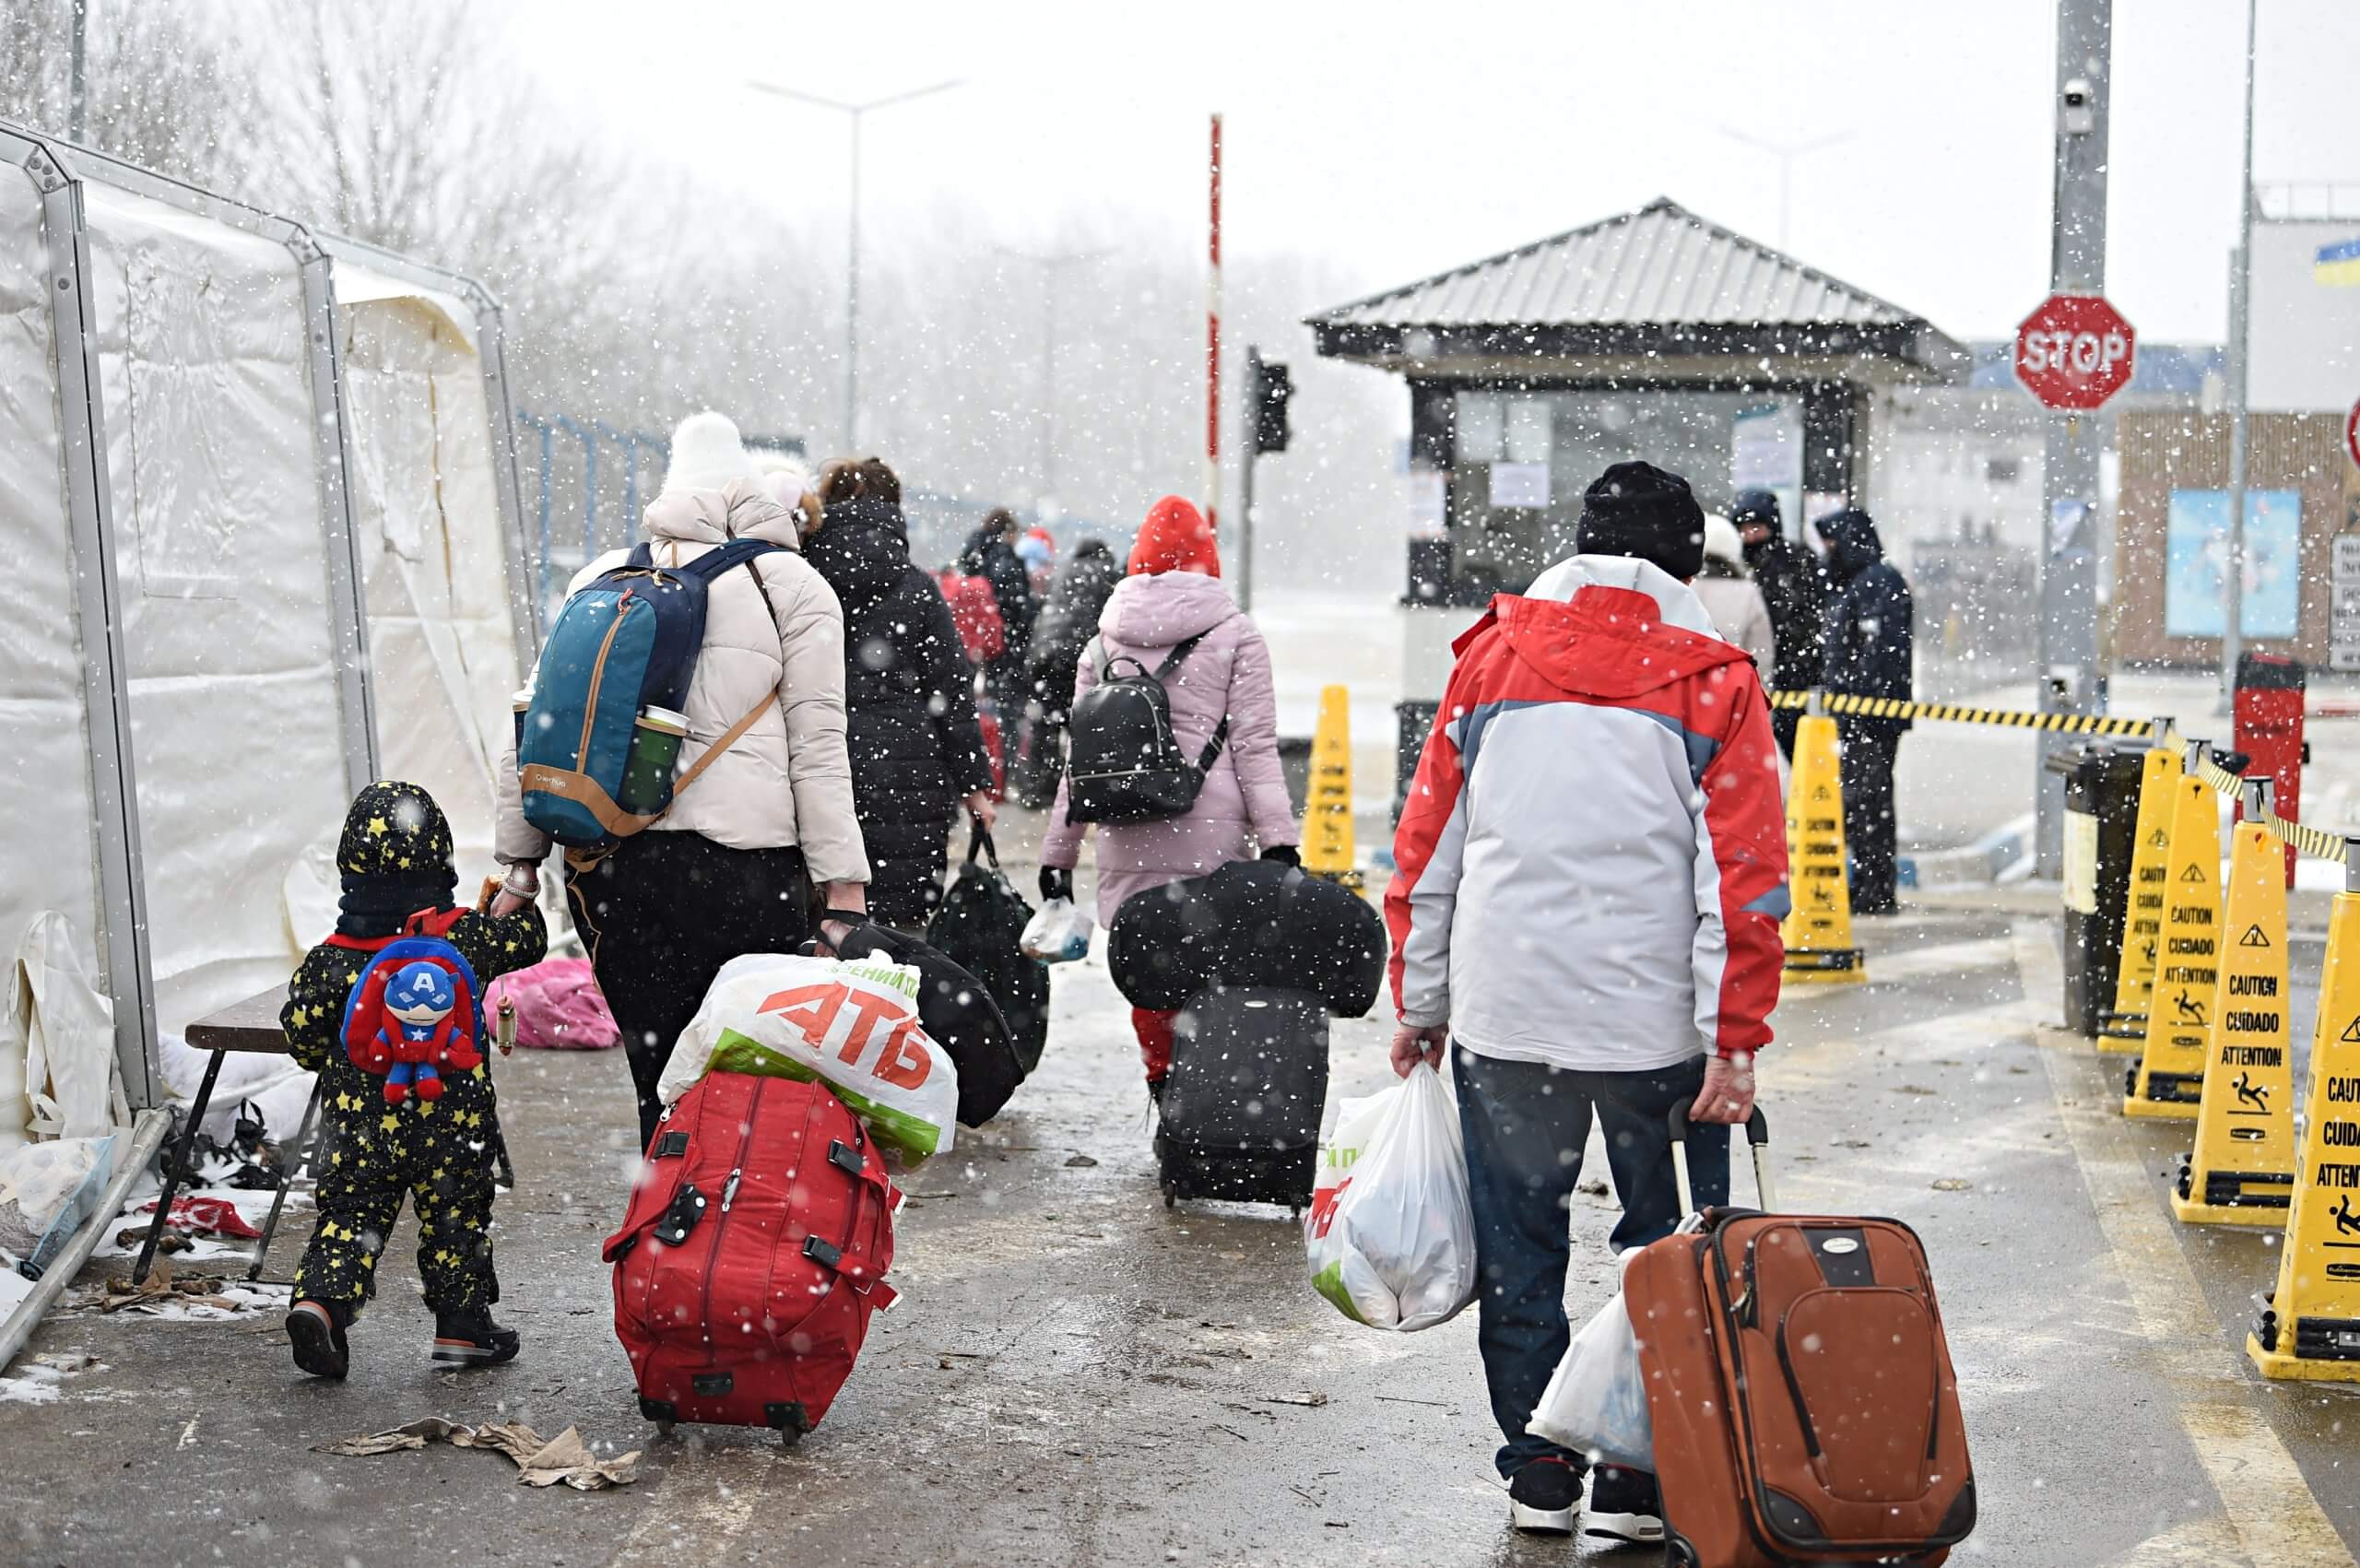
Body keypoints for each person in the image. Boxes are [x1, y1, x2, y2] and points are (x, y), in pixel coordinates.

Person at [1386, 460, 1787, 1546]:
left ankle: (1541, 1468)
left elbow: (1426, 852)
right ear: (1683, 559)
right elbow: (1742, 882)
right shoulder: (1716, 679)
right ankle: (1642, 1479)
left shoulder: (1490, 658)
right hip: (1654, 1032)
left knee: (1523, 1249)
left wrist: (1418, 1002)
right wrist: (1733, 1042)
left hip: (1506, 1018)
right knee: (1667, 1251)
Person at [493, 411, 870, 1152]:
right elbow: (819, 749)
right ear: (748, 492)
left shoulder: (602, 577)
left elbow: (535, 724)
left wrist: (516, 866)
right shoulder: (793, 585)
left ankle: (663, 1239)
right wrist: (844, 889)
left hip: (611, 867)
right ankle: (732, 1249)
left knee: (658, 1082)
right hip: (745, 873)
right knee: (747, 1083)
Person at [281, 782, 549, 1379]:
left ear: (350, 870)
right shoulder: (463, 938)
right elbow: (531, 940)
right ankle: (462, 1327)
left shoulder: (333, 958)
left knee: (350, 1216)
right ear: (442, 863)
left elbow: (299, 1034)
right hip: (452, 1124)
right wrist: (511, 902)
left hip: (360, 1129)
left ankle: (320, 1304)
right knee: (457, 1217)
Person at [1037, 496, 1299, 1097]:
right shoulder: (1238, 635)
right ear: (1208, 558)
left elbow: (1077, 765)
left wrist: (1059, 857)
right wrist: (1280, 844)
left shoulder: (1101, 645)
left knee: (1149, 971)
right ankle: (1203, 1098)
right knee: (1209, 969)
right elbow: (1256, 750)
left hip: (1126, 832)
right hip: (1213, 841)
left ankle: (1163, 1079)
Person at [804, 455, 997, 929]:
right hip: (909, 776)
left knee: (822, 927)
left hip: (819, 765)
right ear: (893, 509)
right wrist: (975, 787)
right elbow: (952, 693)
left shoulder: (802, 580)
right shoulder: (917, 588)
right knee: (902, 935)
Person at [1815, 507, 1914, 915]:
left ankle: (1875, 889)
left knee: (1868, 802)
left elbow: (1879, 656)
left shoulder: (1877, 583)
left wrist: (1856, 701)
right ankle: (1871, 885)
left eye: (1833, 544)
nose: (1828, 553)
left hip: (1868, 717)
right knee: (1862, 803)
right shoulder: (1862, 583)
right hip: (1861, 715)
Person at [1015, 536, 1122, 808]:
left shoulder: (1064, 569)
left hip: (1043, 654)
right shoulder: (1105, 572)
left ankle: (1036, 789)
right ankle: (1082, 788)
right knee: (1083, 722)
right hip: (1075, 655)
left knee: (1044, 723)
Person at [1731, 487, 1828, 760]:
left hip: (1792, 676)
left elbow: (1810, 618)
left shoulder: (1797, 561)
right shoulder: (1736, 565)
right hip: (1754, 672)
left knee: (1790, 749)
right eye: (1744, 528)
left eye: (1756, 526)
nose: (1750, 535)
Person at [960, 507, 1037, 772]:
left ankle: (979, 767)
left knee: (975, 708)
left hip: (976, 644)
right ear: (1008, 533)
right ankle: (1006, 770)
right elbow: (1016, 607)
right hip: (1006, 646)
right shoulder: (1004, 558)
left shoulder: (973, 557)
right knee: (1008, 711)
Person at [1693, 512, 1776, 670]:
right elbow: (1761, 653)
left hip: (1684, 686)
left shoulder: (1683, 587)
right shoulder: (1747, 592)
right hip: (1733, 686)